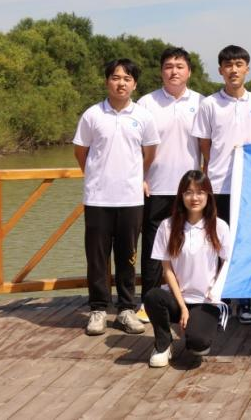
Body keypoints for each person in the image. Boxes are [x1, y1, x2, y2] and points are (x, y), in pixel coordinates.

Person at [73, 58, 160, 336]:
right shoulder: (92, 115)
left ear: (134, 84)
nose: (121, 83)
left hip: (131, 198)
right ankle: (98, 309)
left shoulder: (143, 116)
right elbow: (81, 152)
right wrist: (96, 176)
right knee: (97, 257)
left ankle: (125, 309)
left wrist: (135, 177)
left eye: (127, 79)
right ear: (107, 81)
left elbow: (149, 153)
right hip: (98, 198)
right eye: (115, 77)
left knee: (128, 256)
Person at [192, 45, 251, 325]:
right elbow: (205, 145)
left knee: (246, 244)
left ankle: (245, 300)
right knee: (217, 242)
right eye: (228, 65)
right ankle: (220, 298)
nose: (233, 70)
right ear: (220, 70)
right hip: (218, 186)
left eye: (239, 64)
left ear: (247, 68)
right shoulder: (209, 104)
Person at [134, 47, 202, 324]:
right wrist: (140, 177)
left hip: (191, 191)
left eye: (179, 66)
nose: (174, 71)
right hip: (155, 187)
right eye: (168, 66)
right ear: (161, 71)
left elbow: (207, 147)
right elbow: (135, 146)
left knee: (192, 246)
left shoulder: (201, 103)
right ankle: (148, 303)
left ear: (189, 71)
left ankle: (192, 300)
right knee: (154, 248)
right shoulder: (146, 103)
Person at [144, 170, 232, 368]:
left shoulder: (219, 226)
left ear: (208, 196)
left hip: (205, 300)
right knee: (152, 297)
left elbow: (227, 263)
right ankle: (163, 344)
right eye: (188, 192)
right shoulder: (167, 226)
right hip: (178, 298)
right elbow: (167, 269)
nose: (194, 198)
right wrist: (183, 306)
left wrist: (215, 292)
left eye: (200, 192)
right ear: (181, 196)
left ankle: (199, 327)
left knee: (198, 344)